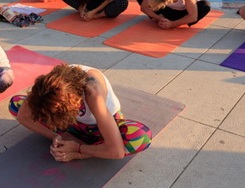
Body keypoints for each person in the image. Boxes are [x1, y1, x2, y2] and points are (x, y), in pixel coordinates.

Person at [9, 64, 152, 160]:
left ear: (76, 101)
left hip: (98, 129)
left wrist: (78, 150)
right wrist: (58, 136)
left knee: (140, 136)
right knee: (16, 103)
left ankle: (92, 146)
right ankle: (88, 144)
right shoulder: (46, 87)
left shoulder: (93, 92)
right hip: (71, 125)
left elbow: (117, 152)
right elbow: (23, 116)